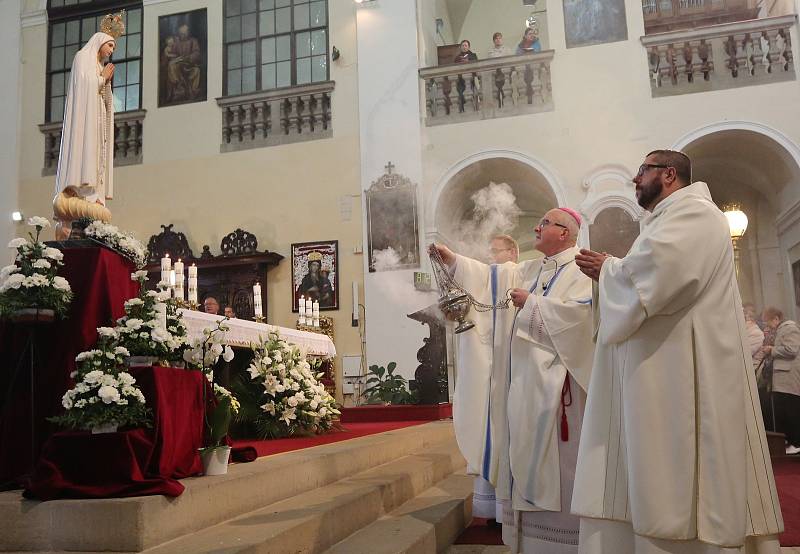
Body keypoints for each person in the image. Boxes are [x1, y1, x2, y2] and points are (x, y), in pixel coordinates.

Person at [573, 150, 782, 553]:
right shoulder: (667, 219)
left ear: (669, 174)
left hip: (684, 372)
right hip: (663, 368)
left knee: (678, 472)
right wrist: (614, 273)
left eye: (641, 171)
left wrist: (610, 269)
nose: (635, 179)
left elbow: (666, 274)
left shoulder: (697, 215)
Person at [431, 206, 594, 553]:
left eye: (545, 223)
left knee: (561, 470)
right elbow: (491, 278)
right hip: (523, 389)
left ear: (564, 232)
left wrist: (534, 305)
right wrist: (454, 260)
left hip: (559, 395)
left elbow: (584, 320)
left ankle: (566, 544)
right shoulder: (530, 269)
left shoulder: (582, 268)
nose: (537, 227)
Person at [52, 18, 123, 239]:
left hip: (97, 124)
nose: (111, 50)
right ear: (99, 42)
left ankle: (94, 196)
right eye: (110, 45)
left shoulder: (99, 67)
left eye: (113, 47)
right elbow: (84, 89)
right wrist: (101, 79)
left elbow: (104, 100)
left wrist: (106, 82)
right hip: (85, 125)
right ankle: (80, 191)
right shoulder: (83, 58)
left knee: (97, 160)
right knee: (86, 154)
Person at [761, 306, 800, 455]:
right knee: (783, 411)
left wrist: (772, 350)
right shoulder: (780, 330)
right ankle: (790, 441)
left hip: (788, 377)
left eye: (768, 322)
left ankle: (795, 442)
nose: (767, 325)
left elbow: (791, 349)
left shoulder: (789, 328)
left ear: (776, 318)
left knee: (791, 411)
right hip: (782, 377)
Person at [163, 23, 202, 103]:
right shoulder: (176, 42)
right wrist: (168, 52)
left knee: (196, 70)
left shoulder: (193, 41)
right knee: (171, 65)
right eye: (181, 34)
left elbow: (197, 53)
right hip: (178, 64)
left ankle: (193, 91)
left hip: (189, 64)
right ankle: (179, 87)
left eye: (184, 33)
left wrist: (188, 58)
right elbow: (171, 52)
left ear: (188, 33)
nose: (182, 35)